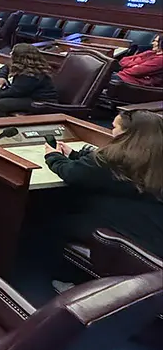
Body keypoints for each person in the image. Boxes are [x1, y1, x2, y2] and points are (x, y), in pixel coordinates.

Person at [43, 110, 163, 257]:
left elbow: (71, 173)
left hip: (122, 230)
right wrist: (75, 155)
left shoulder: (111, 160)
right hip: (152, 227)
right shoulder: (153, 157)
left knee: (48, 217)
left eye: (114, 127)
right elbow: (98, 167)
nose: (111, 131)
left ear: (127, 134)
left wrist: (53, 156)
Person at [0, 43, 56, 118]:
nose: (10, 53)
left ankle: (2, 127)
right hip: (26, 96)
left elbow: (15, 92)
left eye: (12, 52)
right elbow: (6, 67)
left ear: (19, 58)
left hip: (39, 101)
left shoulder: (31, 74)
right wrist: (1, 76)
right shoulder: (22, 66)